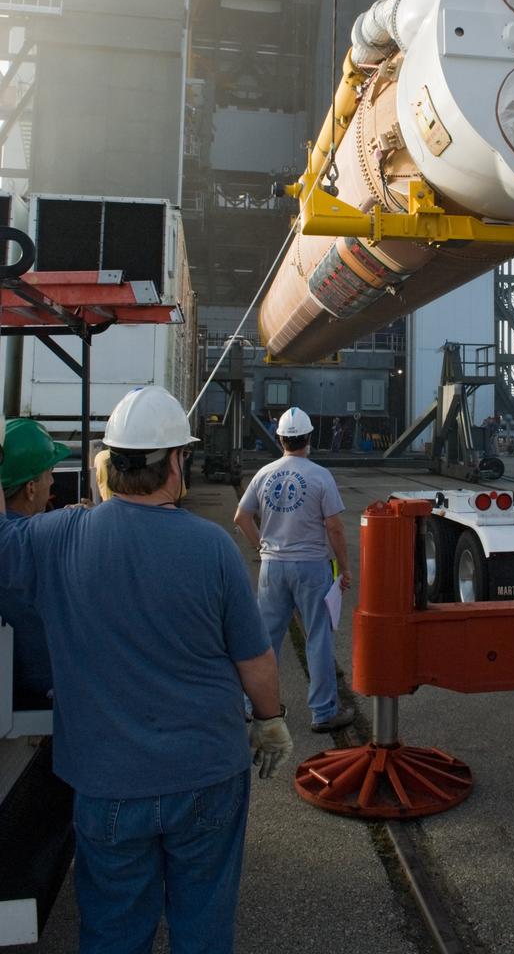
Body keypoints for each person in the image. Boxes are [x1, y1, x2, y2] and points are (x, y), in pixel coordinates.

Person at [0, 386, 291, 953]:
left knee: (113, 930)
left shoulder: (58, 538)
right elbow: (254, 660)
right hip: (207, 772)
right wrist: (269, 719)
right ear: (177, 462)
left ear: (108, 462)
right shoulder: (212, 548)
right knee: (202, 927)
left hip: (107, 783)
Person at [234, 406, 355, 733]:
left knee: (264, 641)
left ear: (280, 438)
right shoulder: (319, 476)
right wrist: (344, 568)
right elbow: (335, 527)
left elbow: (241, 517)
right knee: (317, 637)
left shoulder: (264, 474)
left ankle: (249, 705)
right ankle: (323, 711)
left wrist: (261, 546)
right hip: (311, 567)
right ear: (309, 438)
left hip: (273, 568)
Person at [0, 418, 71, 701]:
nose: (53, 481)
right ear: (30, 488)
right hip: (42, 688)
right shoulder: (42, 548)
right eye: (49, 473)